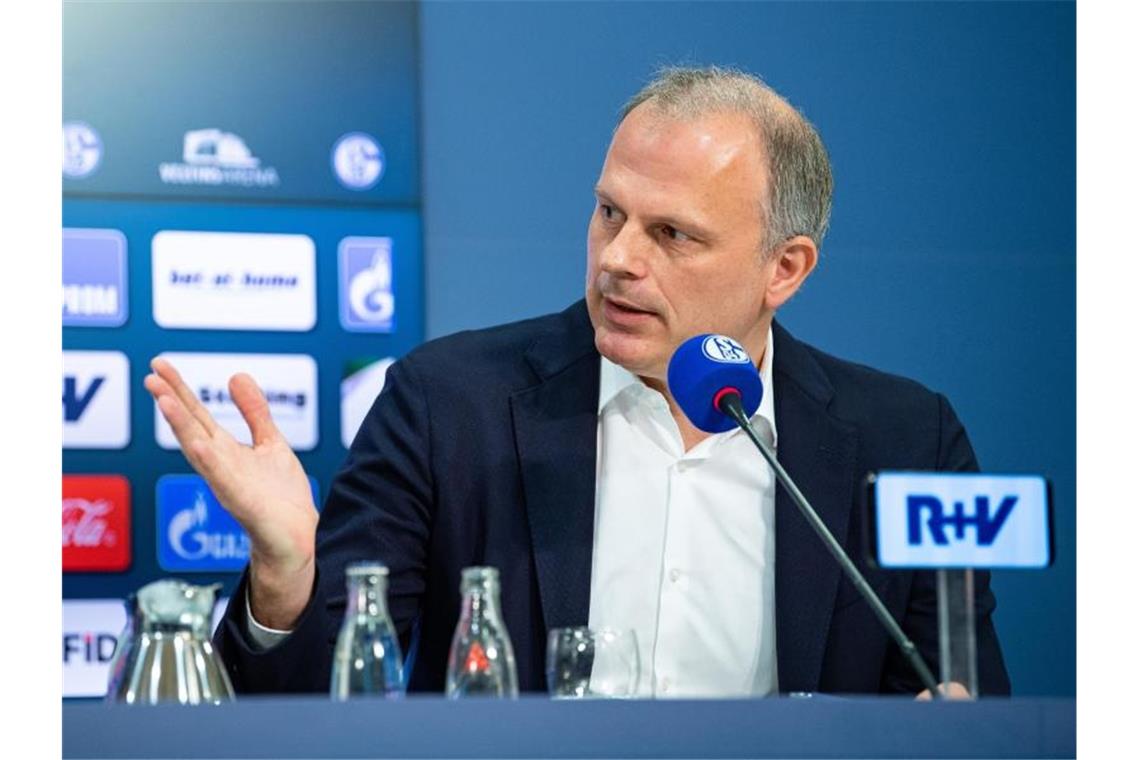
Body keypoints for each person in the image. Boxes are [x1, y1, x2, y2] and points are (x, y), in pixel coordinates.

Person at [145, 66, 1010, 698]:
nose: (620, 260)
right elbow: (308, 716)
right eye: (610, 213)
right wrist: (286, 576)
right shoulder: (449, 405)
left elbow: (958, 697)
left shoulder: (905, 440)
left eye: (673, 234)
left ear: (783, 269)